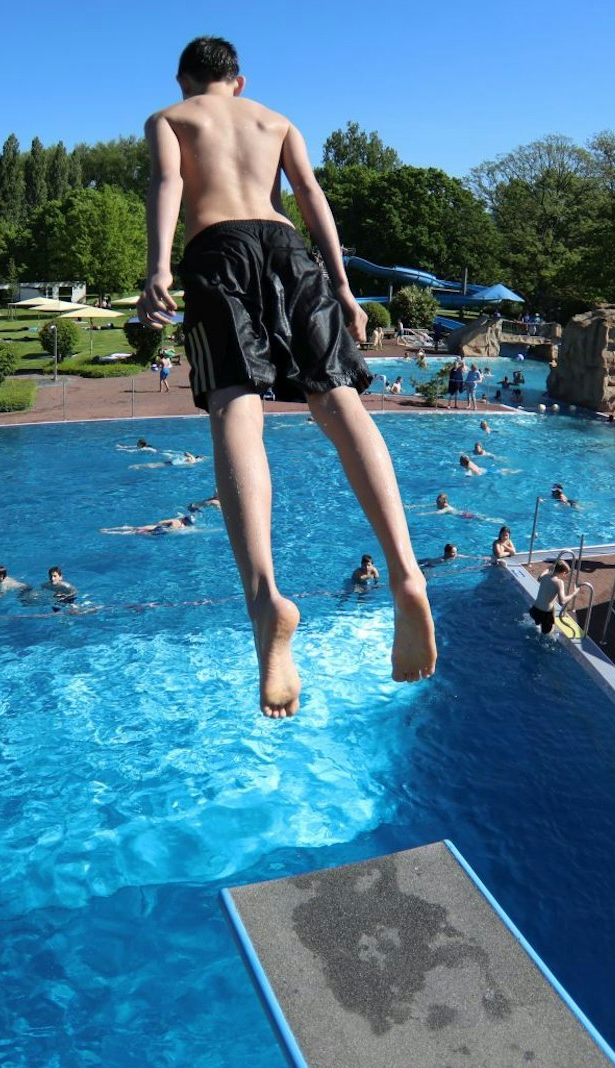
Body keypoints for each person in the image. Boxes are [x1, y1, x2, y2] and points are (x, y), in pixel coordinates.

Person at [138, 37, 435, 717]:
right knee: (339, 401)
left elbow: (169, 184)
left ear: (188, 82)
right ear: (238, 82)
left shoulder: (172, 120)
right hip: (289, 249)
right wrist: (343, 285)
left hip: (217, 249)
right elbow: (308, 193)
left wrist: (158, 268)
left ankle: (265, 596)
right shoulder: (277, 122)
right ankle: (405, 571)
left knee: (236, 406)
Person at [528, 559, 590, 636]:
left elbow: (539, 578)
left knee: (536, 626)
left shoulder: (545, 576)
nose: (565, 576)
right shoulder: (559, 582)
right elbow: (562, 601)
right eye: (565, 574)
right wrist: (574, 593)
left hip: (535, 609)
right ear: (563, 572)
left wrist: (548, 568)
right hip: (546, 613)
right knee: (548, 634)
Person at [102, 513, 198, 536]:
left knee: (135, 528)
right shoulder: (184, 528)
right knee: (135, 533)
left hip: (159, 527)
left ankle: (108, 530)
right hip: (161, 533)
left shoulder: (175, 521)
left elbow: (160, 522)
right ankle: (111, 532)